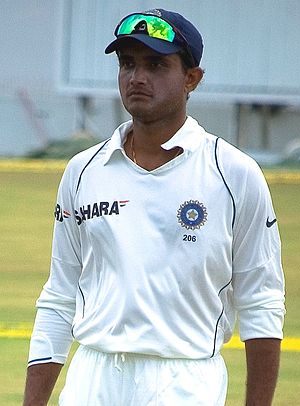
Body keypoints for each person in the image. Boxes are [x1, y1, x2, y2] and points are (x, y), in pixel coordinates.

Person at [23, 8, 285, 406]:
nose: (137, 77)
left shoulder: (234, 174)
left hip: (184, 378)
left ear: (191, 79)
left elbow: (261, 301)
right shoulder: (83, 171)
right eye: (127, 64)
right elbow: (60, 295)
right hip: (92, 376)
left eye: (156, 65)